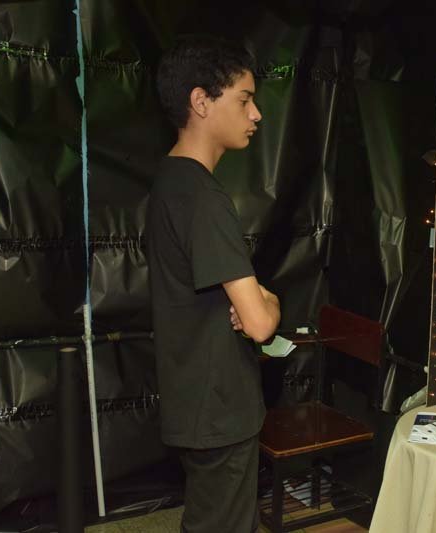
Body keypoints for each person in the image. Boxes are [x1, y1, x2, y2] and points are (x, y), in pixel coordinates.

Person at [146, 35, 280, 533]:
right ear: (201, 101)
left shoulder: (169, 181)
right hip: (218, 406)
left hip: (195, 400)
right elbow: (260, 324)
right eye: (244, 100)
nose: (256, 114)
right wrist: (270, 300)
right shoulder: (202, 196)